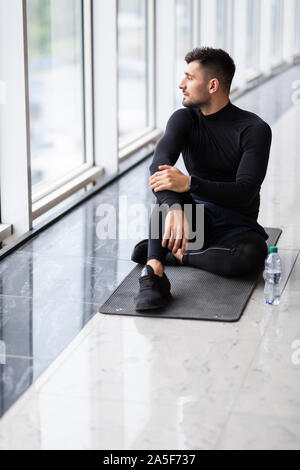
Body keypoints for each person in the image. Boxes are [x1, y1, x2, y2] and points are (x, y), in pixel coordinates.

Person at [131, 47, 272, 312]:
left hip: (237, 225)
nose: (181, 84)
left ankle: (180, 255)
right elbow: (158, 166)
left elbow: (245, 191)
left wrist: (191, 184)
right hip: (194, 219)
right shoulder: (183, 119)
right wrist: (174, 206)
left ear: (213, 85)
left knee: (254, 256)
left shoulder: (255, 129)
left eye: (189, 78)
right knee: (168, 193)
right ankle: (154, 271)